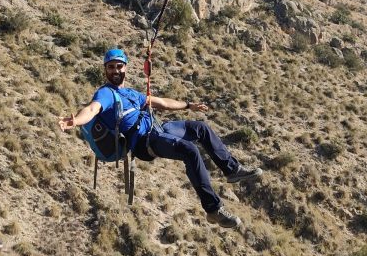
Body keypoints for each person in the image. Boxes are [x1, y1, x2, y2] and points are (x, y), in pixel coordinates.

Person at [58, 48, 263, 228]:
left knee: (200, 128)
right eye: (111, 67)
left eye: (119, 66)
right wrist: (76, 121)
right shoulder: (105, 94)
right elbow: (92, 109)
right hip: (144, 142)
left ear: (126, 68)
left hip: (159, 129)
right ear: (105, 70)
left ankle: (232, 170)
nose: (115, 71)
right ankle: (213, 209)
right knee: (189, 151)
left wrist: (188, 105)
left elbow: (162, 102)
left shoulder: (132, 94)